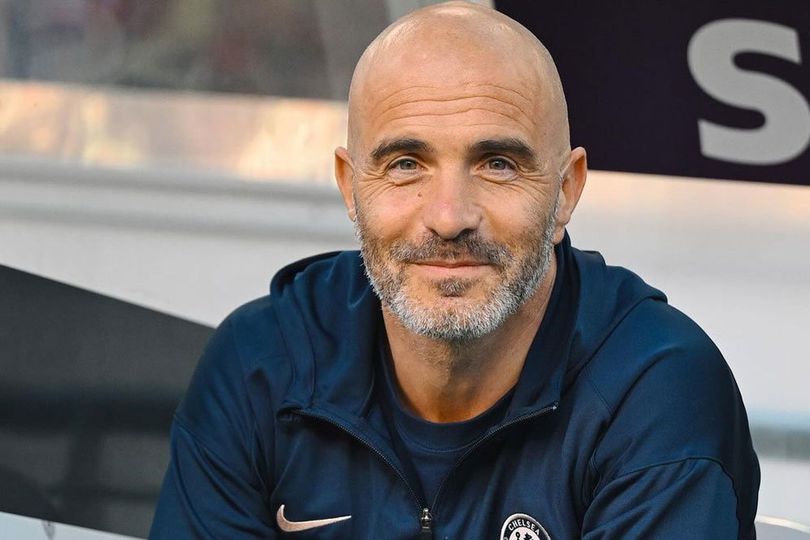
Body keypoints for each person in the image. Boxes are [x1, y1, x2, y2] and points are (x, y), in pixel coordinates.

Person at [150, 2, 760, 538]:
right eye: (405, 164)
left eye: (497, 164)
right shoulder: (262, 365)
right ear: (350, 187)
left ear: (565, 193)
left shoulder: (656, 389)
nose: (448, 218)